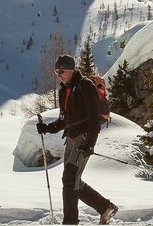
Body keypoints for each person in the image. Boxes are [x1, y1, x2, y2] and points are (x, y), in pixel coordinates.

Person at [36, 55, 118, 224]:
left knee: (69, 179)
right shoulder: (64, 91)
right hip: (71, 139)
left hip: (84, 138)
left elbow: (94, 117)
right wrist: (47, 128)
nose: (58, 74)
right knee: (73, 181)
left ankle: (70, 222)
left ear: (71, 69)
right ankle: (105, 207)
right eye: (56, 71)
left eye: (61, 71)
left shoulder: (85, 86)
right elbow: (64, 120)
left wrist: (91, 143)